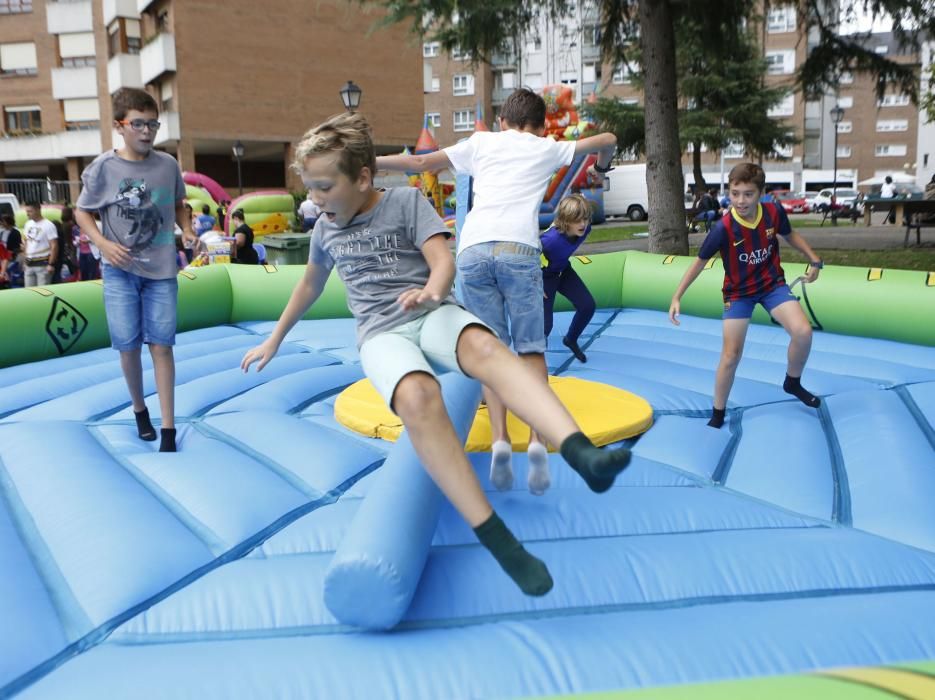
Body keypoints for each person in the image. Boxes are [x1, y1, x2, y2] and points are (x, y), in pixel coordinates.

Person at [241, 112, 631, 596]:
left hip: (430, 310)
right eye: (310, 189)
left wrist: (432, 288)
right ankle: (501, 542)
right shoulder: (325, 230)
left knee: (485, 346)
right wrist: (274, 339)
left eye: (323, 187)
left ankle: (582, 454)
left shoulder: (405, 202)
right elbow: (309, 284)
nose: (313, 200)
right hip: (382, 333)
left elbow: (443, 259)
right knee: (420, 397)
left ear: (363, 179)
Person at [375, 87, 617, 496]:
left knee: (491, 352)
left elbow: (419, 163)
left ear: (502, 121)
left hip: (472, 249)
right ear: (539, 126)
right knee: (531, 350)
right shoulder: (546, 147)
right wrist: (605, 163)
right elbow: (607, 141)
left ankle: (501, 440)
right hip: (518, 249)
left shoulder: (481, 142)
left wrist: (370, 159)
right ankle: (538, 442)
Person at [74, 87, 200, 453]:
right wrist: (102, 243)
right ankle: (139, 409)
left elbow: (178, 204)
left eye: (153, 124)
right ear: (120, 126)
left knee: (162, 346)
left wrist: (187, 229)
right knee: (128, 347)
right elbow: (82, 211)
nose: (147, 131)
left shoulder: (168, 165)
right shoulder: (103, 169)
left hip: (161, 270)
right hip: (121, 271)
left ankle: (169, 429)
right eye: (139, 124)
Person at [668, 162, 823, 429]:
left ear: (761, 193)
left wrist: (814, 260)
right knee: (731, 355)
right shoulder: (723, 229)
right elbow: (699, 262)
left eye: (748, 194)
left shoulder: (773, 212)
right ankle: (717, 413)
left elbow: (790, 235)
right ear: (729, 191)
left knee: (803, 332)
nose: (741, 200)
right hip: (739, 293)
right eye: (735, 193)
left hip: (772, 285)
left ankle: (792, 382)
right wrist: (677, 296)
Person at [540, 193, 596, 365]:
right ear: (566, 221)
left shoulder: (585, 229)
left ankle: (570, 339)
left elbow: (582, 211)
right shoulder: (550, 240)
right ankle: (535, 363)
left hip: (563, 270)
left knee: (587, 305)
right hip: (543, 277)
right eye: (577, 220)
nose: (582, 224)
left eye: (585, 219)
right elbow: (527, 256)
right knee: (545, 326)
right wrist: (534, 282)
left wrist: (581, 201)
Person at [21, 201, 58, 287]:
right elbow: (26, 243)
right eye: (26, 211)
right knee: (29, 291)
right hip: (29, 263)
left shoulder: (48, 225)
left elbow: (54, 245)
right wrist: (24, 261)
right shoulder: (28, 224)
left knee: (43, 291)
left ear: (38, 210)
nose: (28, 214)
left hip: (43, 264)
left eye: (30, 211)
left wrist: (51, 264)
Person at [55, 207, 79, 283]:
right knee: (74, 263)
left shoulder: (61, 225)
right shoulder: (72, 225)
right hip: (71, 246)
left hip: (65, 246)